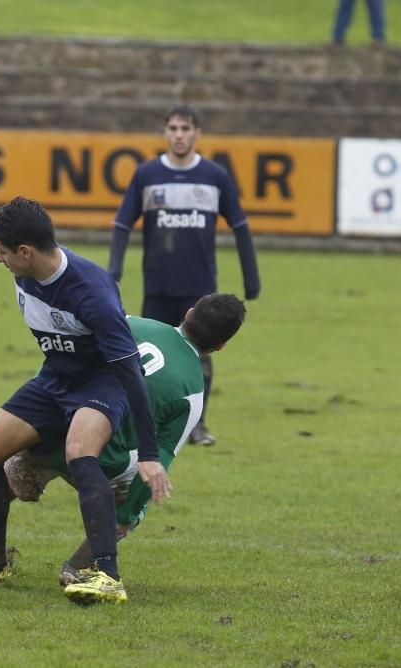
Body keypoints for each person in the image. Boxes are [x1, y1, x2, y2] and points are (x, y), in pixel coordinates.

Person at [0, 294, 247, 595]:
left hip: (58, 431)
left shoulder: (128, 323)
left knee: (1, 480)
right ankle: (77, 566)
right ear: (221, 346)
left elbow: (64, 363)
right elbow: (161, 457)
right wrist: (129, 513)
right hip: (107, 461)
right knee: (128, 508)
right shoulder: (194, 392)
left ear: (188, 313)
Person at [0, 196, 169, 605]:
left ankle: (106, 575)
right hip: (54, 379)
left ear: (25, 252)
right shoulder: (25, 274)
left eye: (2, 252)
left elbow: (129, 370)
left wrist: (149, 453)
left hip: (102, 383)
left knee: (81, 453)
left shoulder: (92, 292)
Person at [108, 104, 259, 447]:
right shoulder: (146, 174)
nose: (179, 135)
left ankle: (198, 424)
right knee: (147, 355)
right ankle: (141, 419)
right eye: (173, 128)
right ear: (165, 133)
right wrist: (114, 269)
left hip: (200, 289)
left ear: (197, 134)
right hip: (159, 285)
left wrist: (252, 278)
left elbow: (240, 225)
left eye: (185, 129)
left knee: (200, 357)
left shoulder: (215, 176)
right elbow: (121, 224)